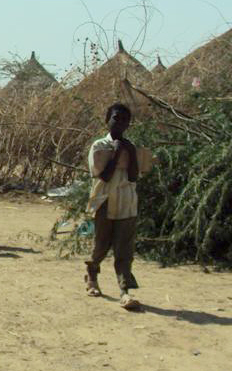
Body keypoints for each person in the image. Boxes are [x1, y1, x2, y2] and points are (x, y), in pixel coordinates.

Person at [85, 103, 141, 310]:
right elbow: (105, 175)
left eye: (125, 120)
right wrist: (117, 153)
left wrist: (130, 152)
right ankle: (92, 274)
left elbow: (134, 175)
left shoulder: (130, 146)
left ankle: (125, 291)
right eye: (116, 118)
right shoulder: (99, 146)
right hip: (104, 201)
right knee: (101, 245)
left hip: (127, 201)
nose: (120, 123)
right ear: (107, 119)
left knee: (124, 248)